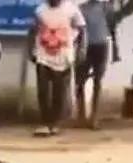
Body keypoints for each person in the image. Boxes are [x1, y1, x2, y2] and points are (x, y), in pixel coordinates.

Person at [76, 0, 133, 129]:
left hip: (101, 46)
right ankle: (81, 116)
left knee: (97, 81)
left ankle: (94, 117)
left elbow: (113, 25)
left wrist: (115, 48)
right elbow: (77, 31)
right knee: (80, 81)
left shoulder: (105, 8)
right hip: (85, 47)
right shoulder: (81, 9)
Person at [28, 0, 86, 137]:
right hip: (43, 56)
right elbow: (32, 30)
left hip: (63, 57)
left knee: (58, 92)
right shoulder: (40, 11)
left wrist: (81, 50)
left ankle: (54, 123)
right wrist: (30, 49)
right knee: (43, 90)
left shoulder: (72, 10)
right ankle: (45, 122)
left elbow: (82, 29)